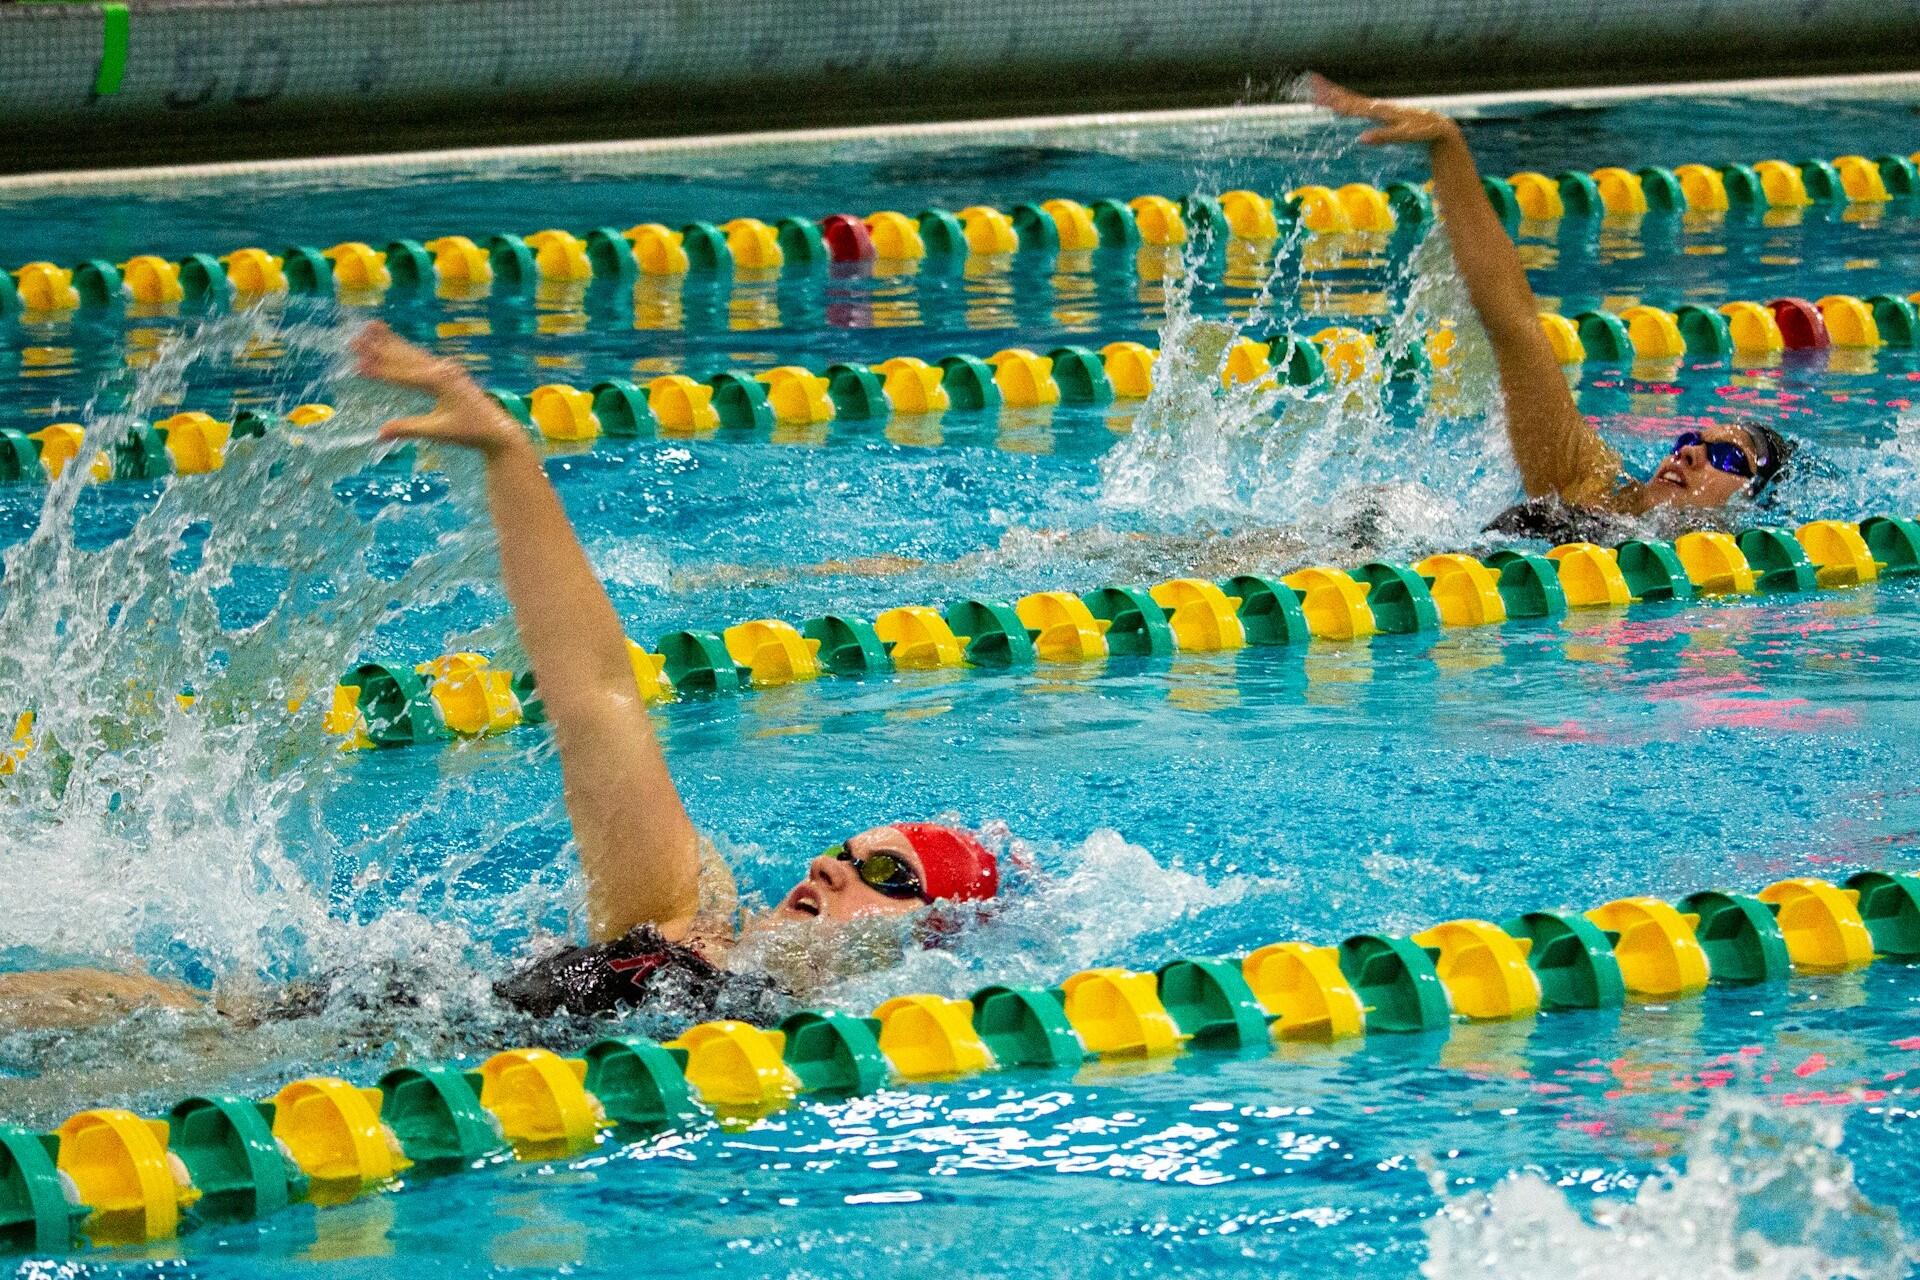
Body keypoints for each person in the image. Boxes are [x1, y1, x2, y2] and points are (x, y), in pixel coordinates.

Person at [0, 323, 1003, 1033]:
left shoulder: (755, 1020)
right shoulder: (686, 909)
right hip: (290, 1032)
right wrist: (509, 455)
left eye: (886, 875)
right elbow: (596, 700)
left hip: (317, 1081)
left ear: (930, 939)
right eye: (845, 849)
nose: (834, 867)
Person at [1307, 76, 1793, 543]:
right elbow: (1514, 324)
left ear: (1751, 502)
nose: (1689, 453)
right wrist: (1448, 146)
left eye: (1726, 457)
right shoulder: (1590, 479)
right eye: (1691, 439)